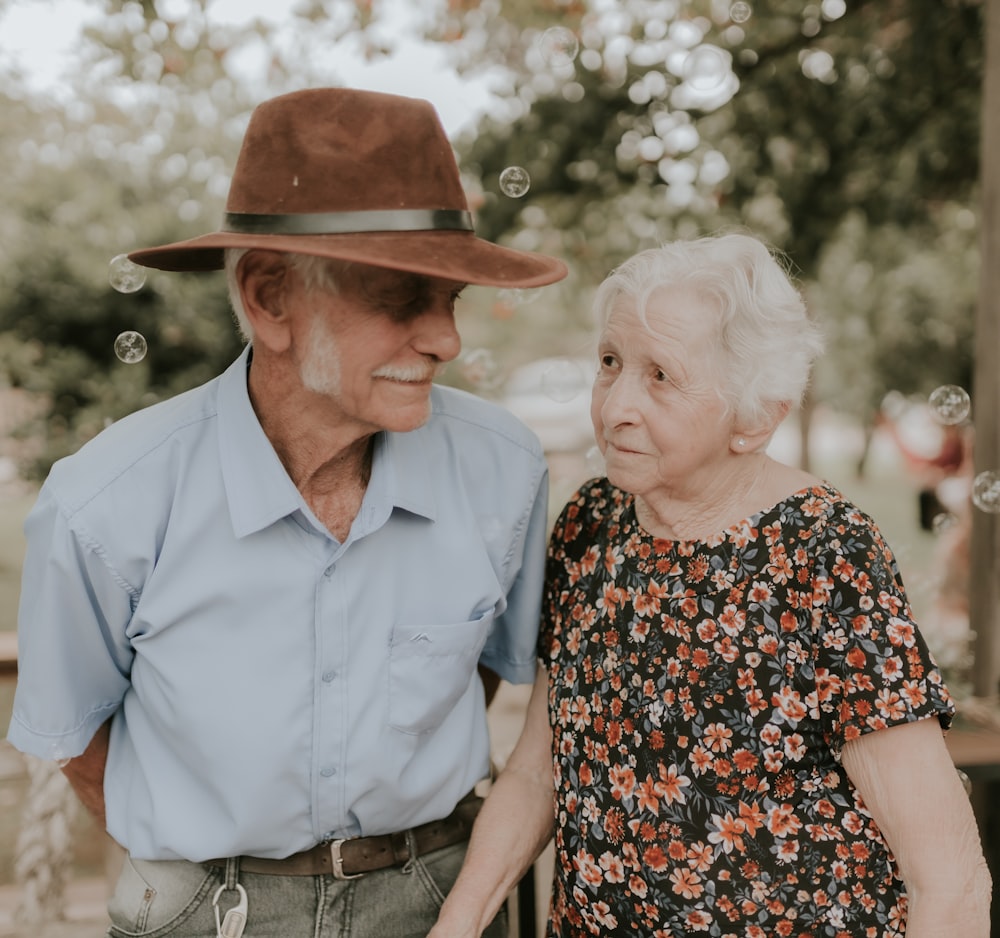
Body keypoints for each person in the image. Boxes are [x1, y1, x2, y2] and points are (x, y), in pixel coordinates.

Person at [7, 87, 567, 937]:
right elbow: (75, 736)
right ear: (270, 300)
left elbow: (478, 672)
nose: (445, 341)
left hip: (440, 900)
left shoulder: (505, 470)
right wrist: (204, 876)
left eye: (449, 300)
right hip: (205, 911)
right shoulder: (104, 503)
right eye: (401, 299)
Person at [429, 232, 992, 937]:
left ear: (755, 418)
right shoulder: (590, 524)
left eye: (661, 376)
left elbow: (948, 875)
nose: (615, 407)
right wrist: (458, 922)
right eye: (611, 362)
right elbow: (538, 772)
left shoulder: (824, 552)